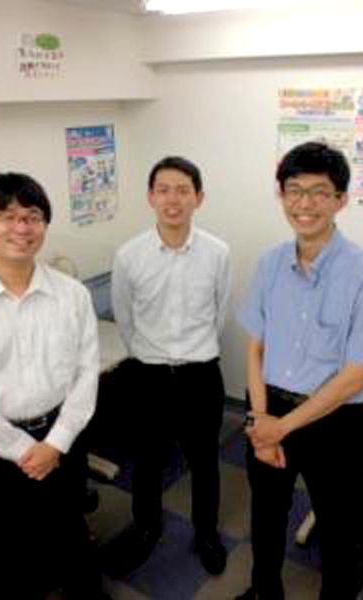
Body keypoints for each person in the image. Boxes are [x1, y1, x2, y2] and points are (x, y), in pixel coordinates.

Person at [0, 172, 107, 599]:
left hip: (63, 439)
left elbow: (87, 372)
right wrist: (22, 450)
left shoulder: (72, 295)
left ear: (44, 226)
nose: (21, 228)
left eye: (32, 217)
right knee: (9, 550)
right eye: (6, 216)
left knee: (70, 530)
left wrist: (56, 443)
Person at [235, 142, 363, 600]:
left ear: (341, 200)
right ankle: (265, 592)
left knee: (338, 527)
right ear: (281, 195)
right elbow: (255, 347)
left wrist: (279, 429)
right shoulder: (269, 263)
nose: (305, 203)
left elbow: (355, 376)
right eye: (294, 190)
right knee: (266, 515)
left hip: (334, 420)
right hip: (269, 406)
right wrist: (260, 422)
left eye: (319, 192)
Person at [107, 156, 232, 576]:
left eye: (182, 190)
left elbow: (219, 314)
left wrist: (192, 351)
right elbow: (125, 318)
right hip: (149, 375)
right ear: (150, 197)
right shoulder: (129, 255)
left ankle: (206, 533)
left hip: (201, 373)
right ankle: (146, 528)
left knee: (205, 461)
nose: (172, 200)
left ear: (199, 198)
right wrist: (152, 355)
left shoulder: (218, 253)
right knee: (147, 460)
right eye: (163, 190)